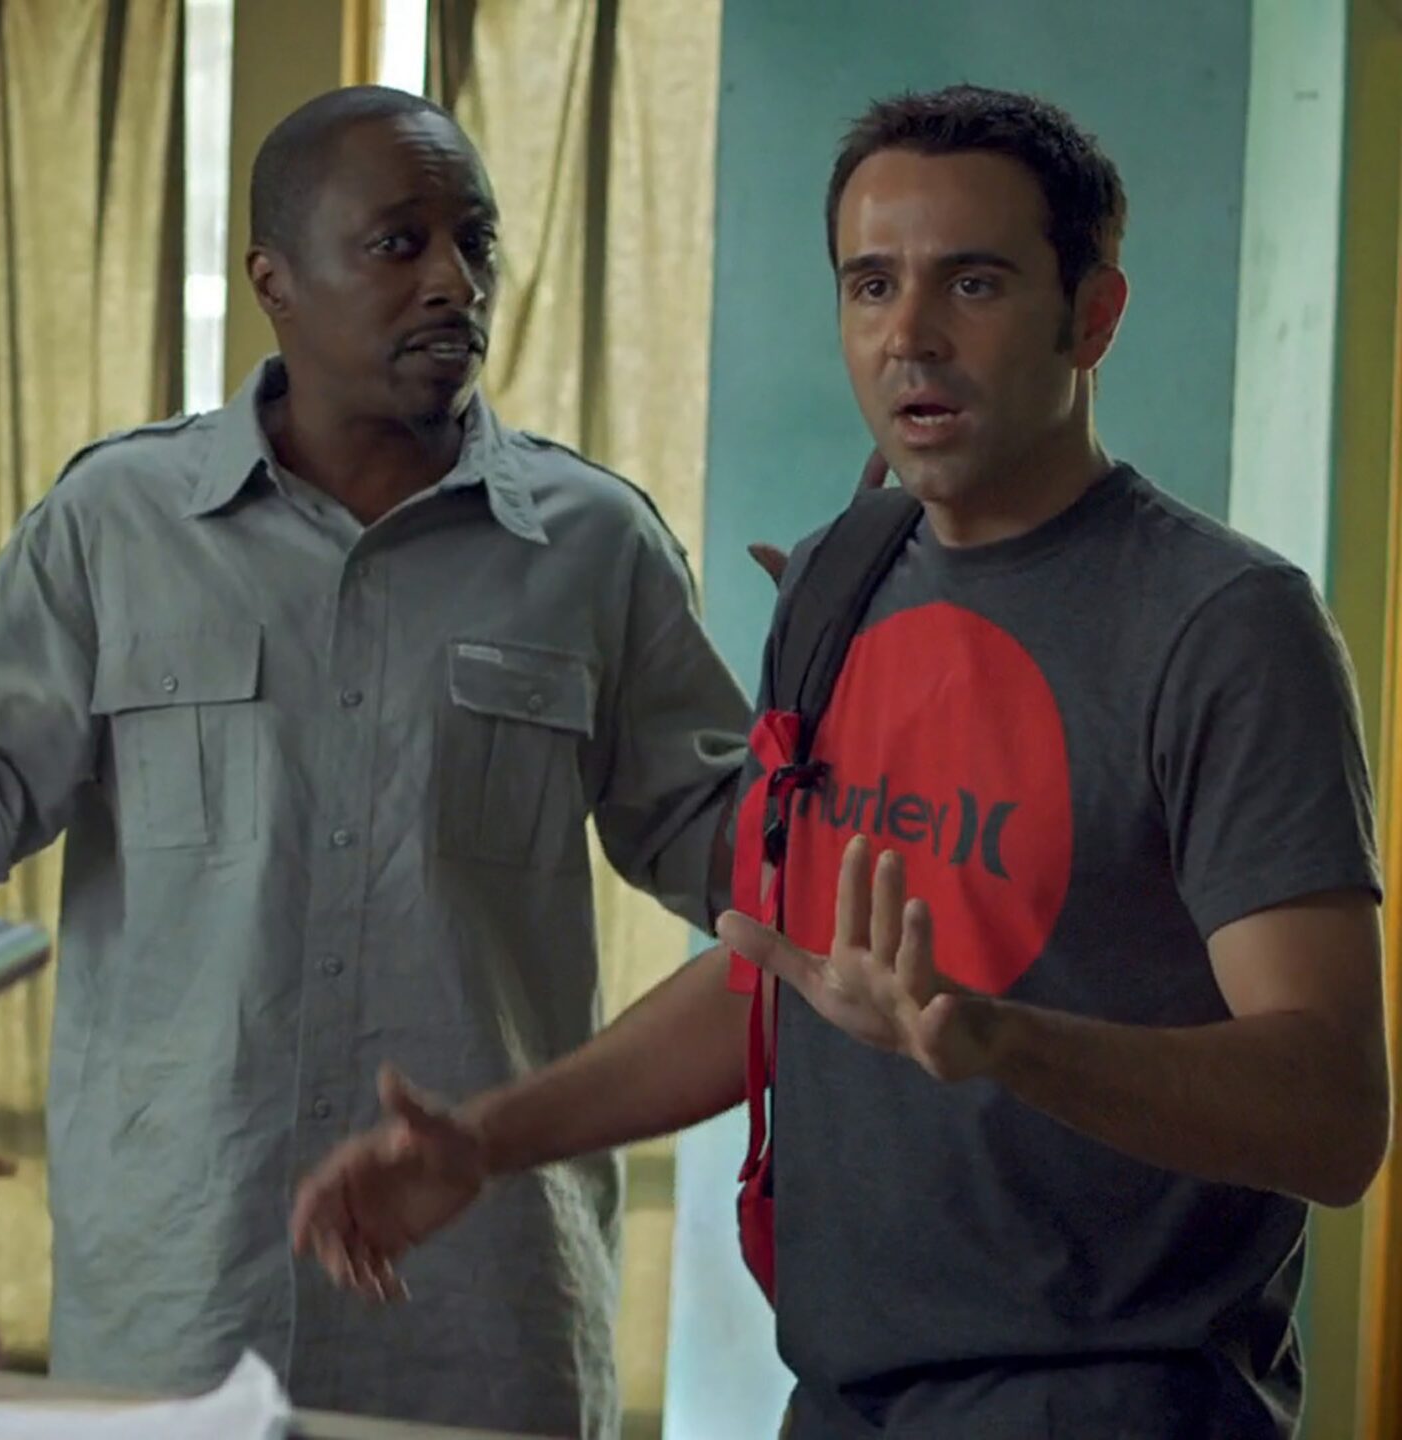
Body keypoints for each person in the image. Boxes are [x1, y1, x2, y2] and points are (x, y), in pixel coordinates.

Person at [0, 85, 749, 1437]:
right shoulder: (115, 523)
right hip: (180, 1299)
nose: (455, 282)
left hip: (485, 1308)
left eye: (475, 241)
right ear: (272, 280)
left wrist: (864, 680)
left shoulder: (595, 548)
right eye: (398, 243)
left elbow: (748, 867)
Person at [289, 85, 1389, 1438]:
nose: (908, 335)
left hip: (1116, 1399)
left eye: (972, 283)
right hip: (840, 1396)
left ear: (1093, 315)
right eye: (871, 284)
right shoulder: (838, 582)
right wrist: (488, 1138)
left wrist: (1000, 1041)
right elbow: (780, 967)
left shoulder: (1226, 627)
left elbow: (1331, 1115)